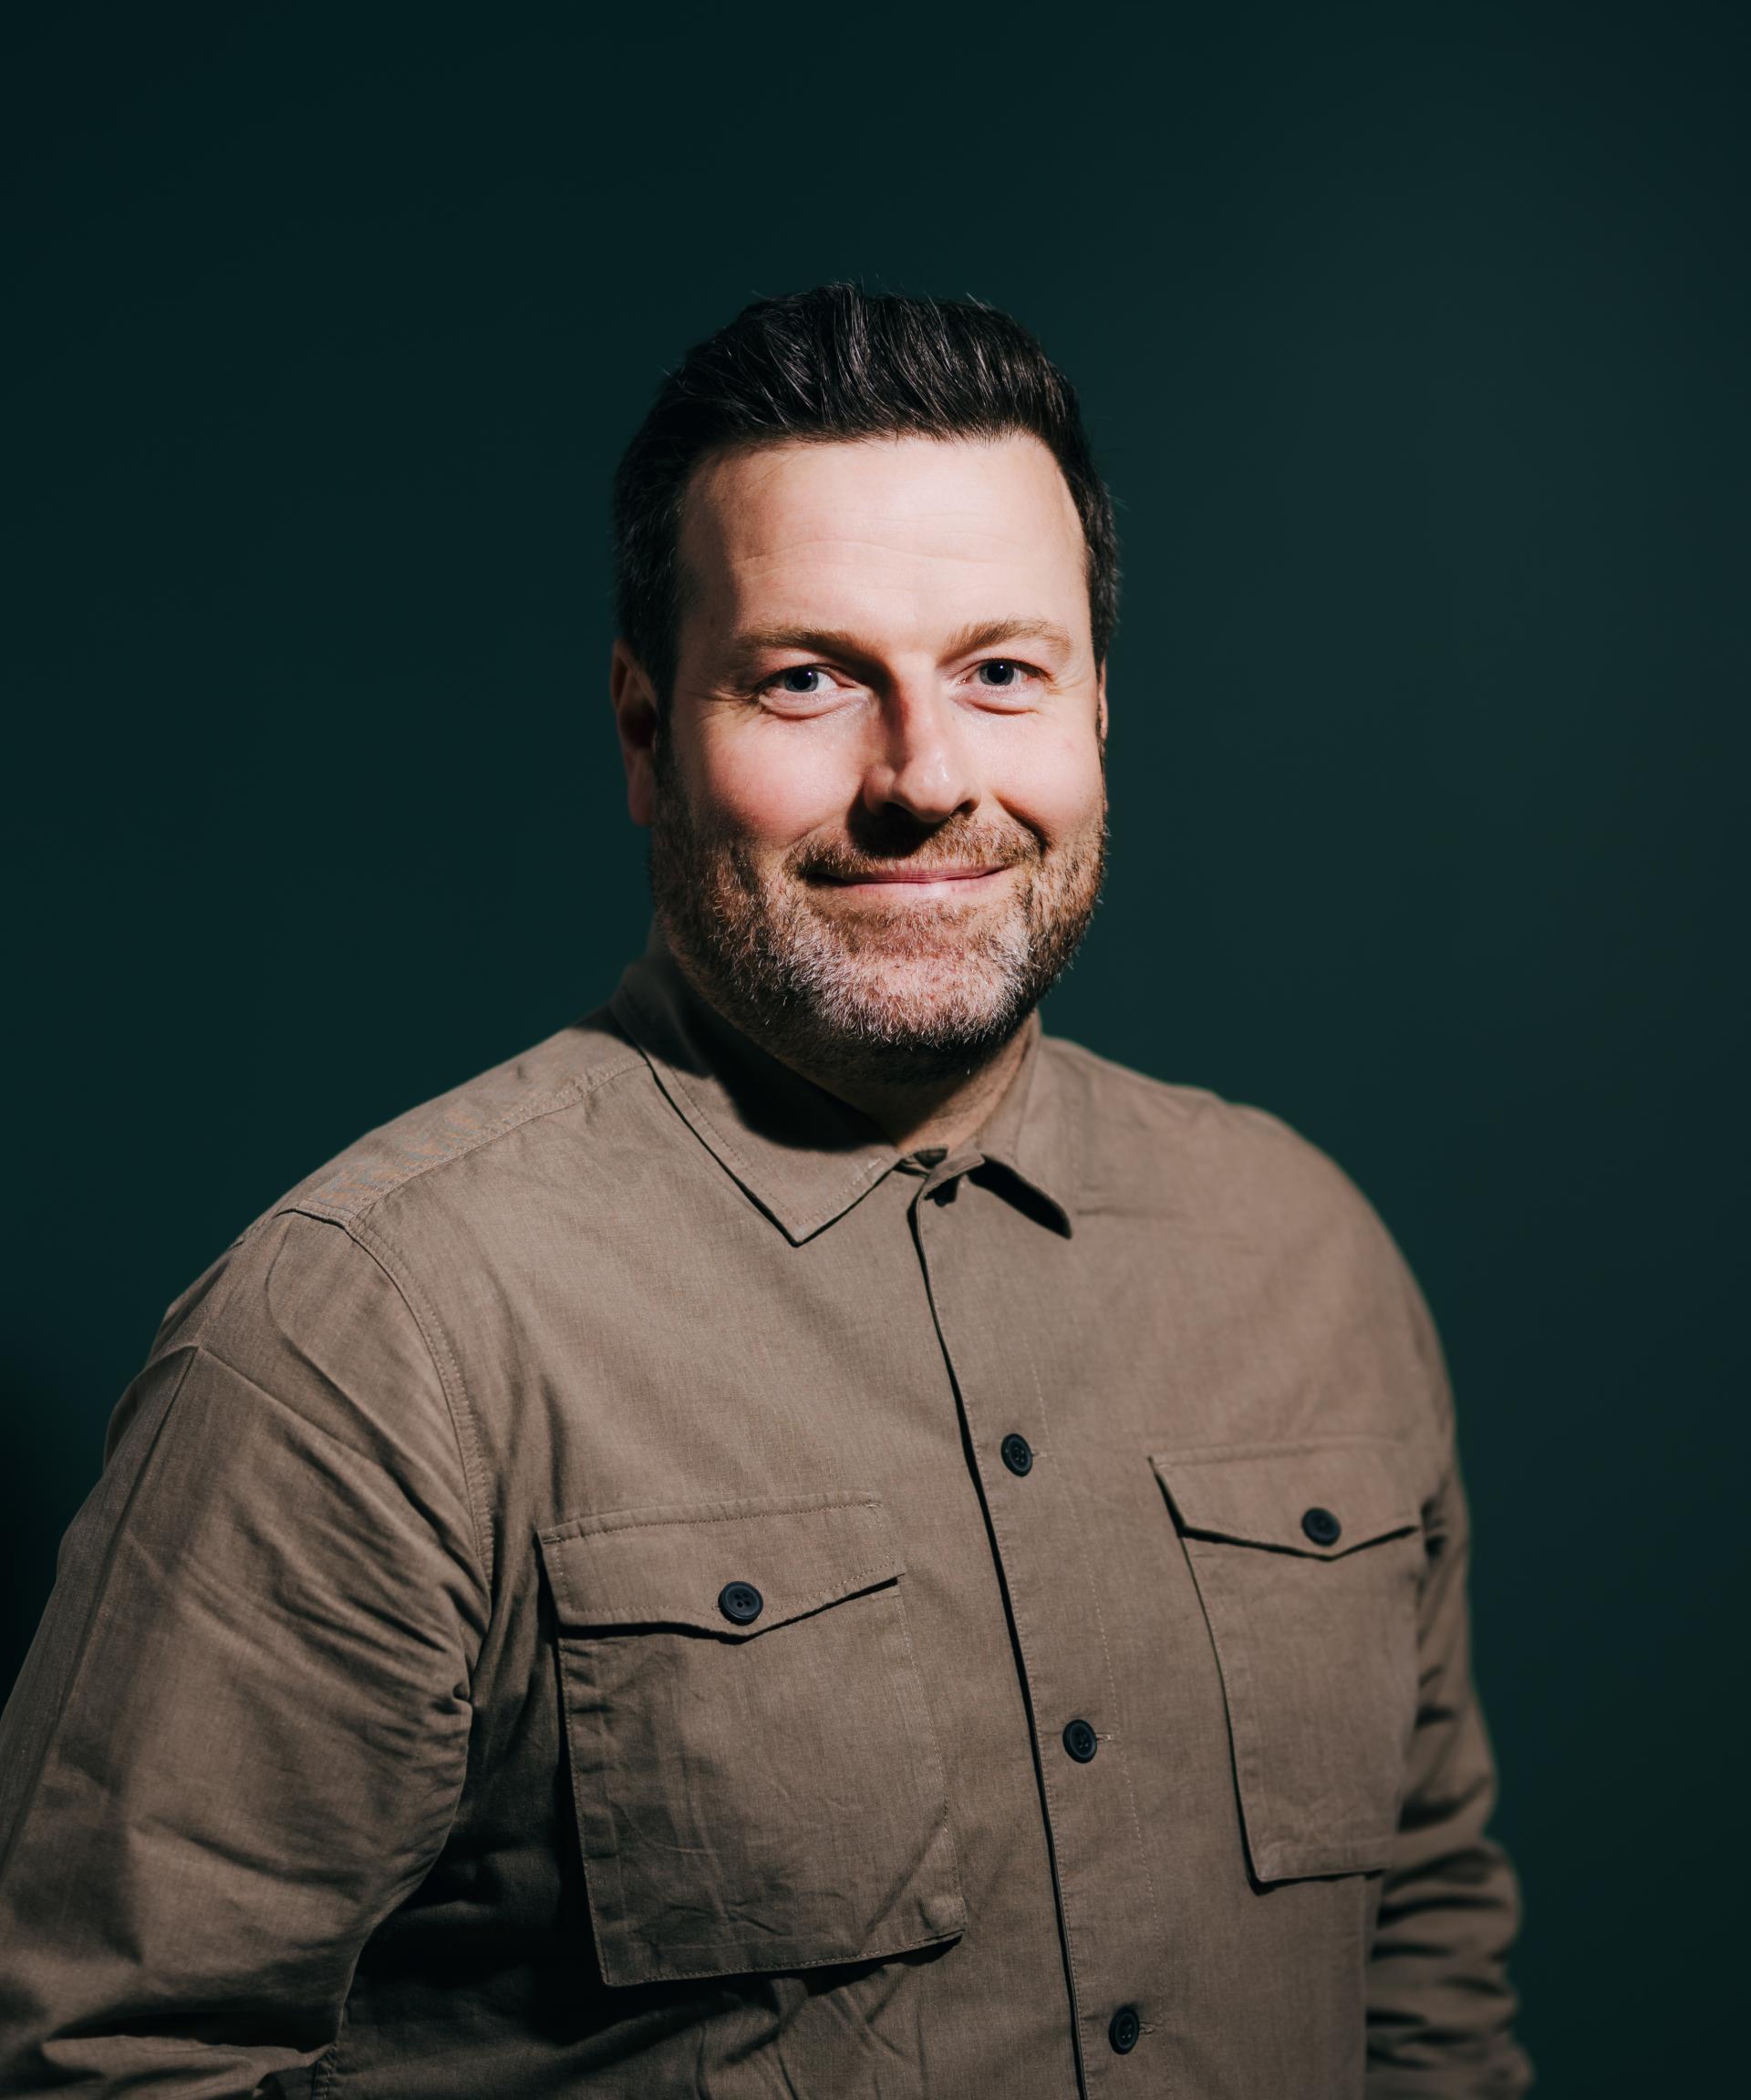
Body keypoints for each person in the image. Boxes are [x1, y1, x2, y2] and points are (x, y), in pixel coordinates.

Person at [0, 282, 1530, 2097]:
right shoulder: (370, 1335)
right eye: (807, 679)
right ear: (647, 735)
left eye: (1001, 672)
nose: (925, 778)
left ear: (1099, 710)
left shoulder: (1308, 1253)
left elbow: (1424, 1972)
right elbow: (104, 2062)